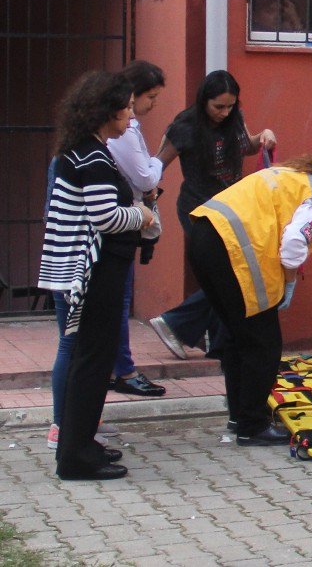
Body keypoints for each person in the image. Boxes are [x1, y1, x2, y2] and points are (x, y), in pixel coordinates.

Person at [187, 146, 312, 446]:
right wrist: (289, 280)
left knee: (240, 338)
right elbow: (292, 243)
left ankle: (241, 417)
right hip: (231, 250)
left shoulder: (300, 175)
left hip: (205, 234)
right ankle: (252, 425)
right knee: (264, 345)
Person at [38, 71, 155, 480]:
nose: (129, 114)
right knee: (91, 361)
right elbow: (105, 217)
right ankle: (74, 457)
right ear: (105, 111)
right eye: (124, 107)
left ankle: (81, 443)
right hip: (92, 273)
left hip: (88, 271)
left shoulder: (86, 151)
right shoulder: (90, 156)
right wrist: (141, 214)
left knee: (90, 359)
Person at [147, 70, 276, 360]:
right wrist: (146, 198)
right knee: (226, 276)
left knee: (231, 274)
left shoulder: (235, 119)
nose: (225, 112)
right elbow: (156, 165)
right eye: (219, 106)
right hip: (198, 211)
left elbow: (246, 146)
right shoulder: (186, 125)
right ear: (204, 100)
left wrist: (263, 137)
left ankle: (220, 343)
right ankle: (176, 324)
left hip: (230, 209)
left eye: (230, 106)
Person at [104, 60, 168, 397]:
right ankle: (123, 370)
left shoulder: (128, 129)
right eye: (147, 99)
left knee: (118, 301)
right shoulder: (122, 134)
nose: (137, 112)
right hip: (116, 230)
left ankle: (117, 368)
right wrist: (160, 161)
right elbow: (144, 176)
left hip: (124, 222)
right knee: (117, 300)